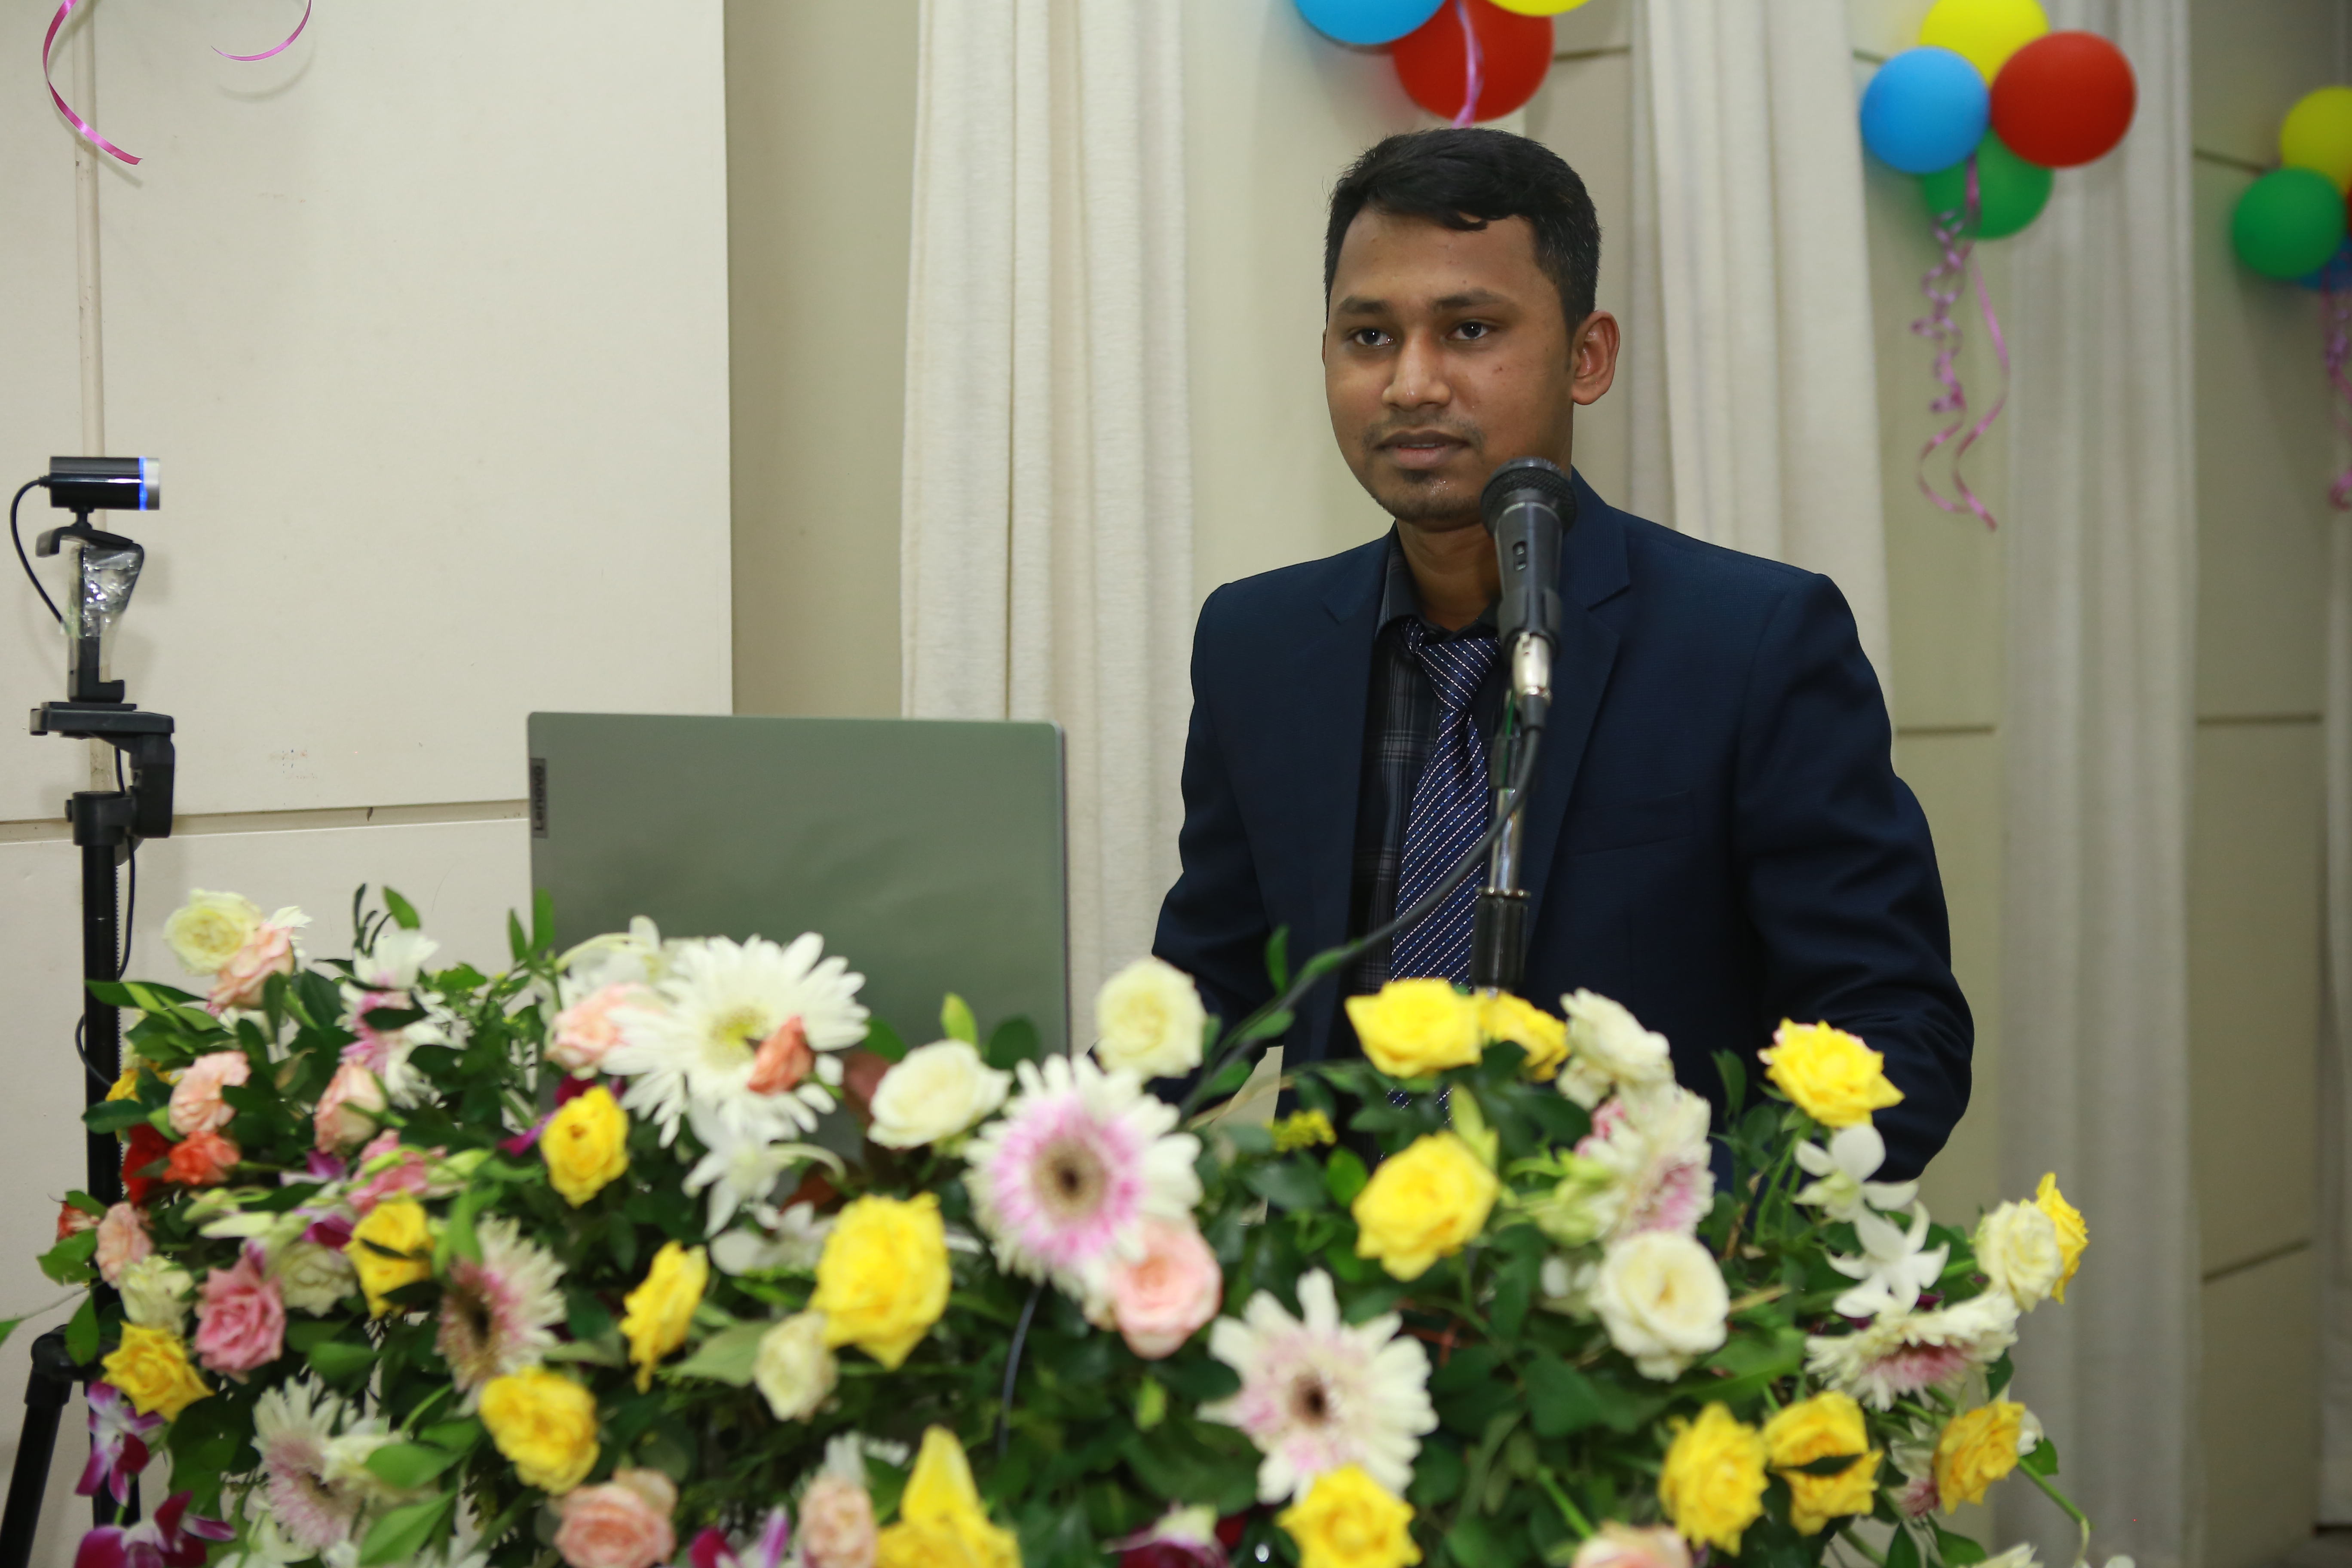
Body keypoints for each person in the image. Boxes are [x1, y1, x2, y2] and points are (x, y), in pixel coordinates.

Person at [1151, 128, 1969, 1179]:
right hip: (1344, 1274)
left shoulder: (1752, 642)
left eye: (1470, 329)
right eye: (1369, 336)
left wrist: (1668, 1209)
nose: (1411, 383)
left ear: (1588, 358)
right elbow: (1204, 1002)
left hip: (1641, 1266)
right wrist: (1016, 1167)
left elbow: (1897, 1032)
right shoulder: (1258, 645)